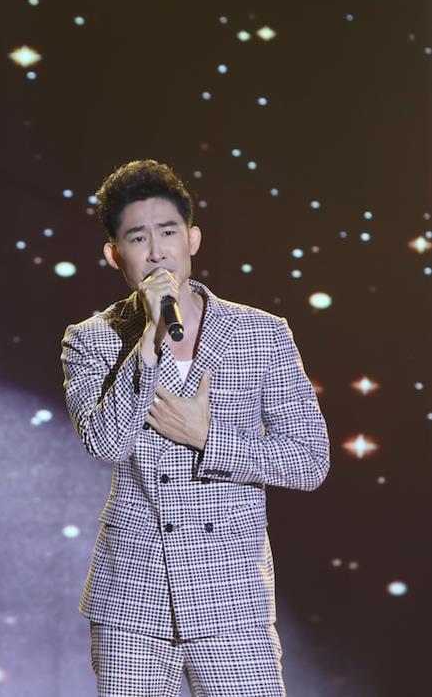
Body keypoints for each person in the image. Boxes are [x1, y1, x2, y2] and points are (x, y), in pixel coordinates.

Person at [60, 159, 330, 696]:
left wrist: (207, 438)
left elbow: (309, 461)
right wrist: (148, 342)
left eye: (168, 232)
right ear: (115, 254)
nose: (157, 251)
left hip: (231, 599)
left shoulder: (261, 333)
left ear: (193, 239)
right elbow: (106, 443)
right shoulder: (93, 339)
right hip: (133, 603)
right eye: (138, 238)